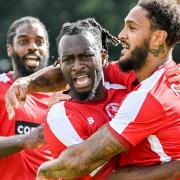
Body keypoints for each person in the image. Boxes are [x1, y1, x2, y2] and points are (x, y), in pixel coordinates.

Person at [4, 15, 180, 180]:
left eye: (86, 56)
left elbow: (161, 70)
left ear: (103, 57)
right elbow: (108, 177)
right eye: (68, 60)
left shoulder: (120, 77)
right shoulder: (61, 117)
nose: (77, 66)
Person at [0, 16, 60, 180]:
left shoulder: (65, 96)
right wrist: (25, 140)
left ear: (47, 48)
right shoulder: (0, 88)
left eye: (39, 42)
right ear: (9, 49)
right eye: (23, 41)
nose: (32, 47)